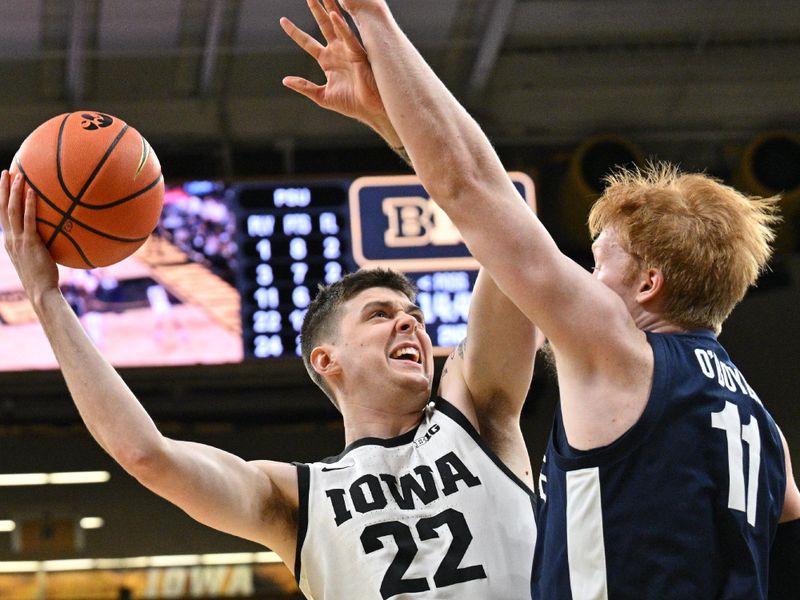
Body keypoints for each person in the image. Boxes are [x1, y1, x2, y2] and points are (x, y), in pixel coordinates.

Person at [0, 14, 541, 596]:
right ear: (326, 360)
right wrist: (46, 296)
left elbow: (507, 226)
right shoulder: (293, 499)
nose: (409, 319)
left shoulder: (476, 409)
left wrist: (396, 127)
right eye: (380, 314)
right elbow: (145, 454)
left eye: (412, 314)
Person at [284, 1, 800, 598]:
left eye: (596, 267)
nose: (580, 284)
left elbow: (470, 186)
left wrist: (374, 18)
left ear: (648, 286)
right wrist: (396, 123)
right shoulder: (762, 427)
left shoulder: (617, 349)